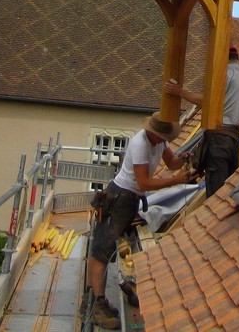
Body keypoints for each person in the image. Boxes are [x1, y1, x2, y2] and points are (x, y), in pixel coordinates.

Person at [83, 112, 196, 329]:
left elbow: (171, 162)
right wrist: (175, 181)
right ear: (154, 132)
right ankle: (96, 304)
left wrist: (182, 160)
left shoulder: (159, 142)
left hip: (130, 199)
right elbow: (144, 182)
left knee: (105, 248)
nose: (166, 141)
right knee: (101, 251)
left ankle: (96, 300)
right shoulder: (140, 144)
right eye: (163, 137)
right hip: (119, 197)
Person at [163, 44, 239, 197]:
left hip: (218, 139)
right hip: (233, 139)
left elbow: (207, 101)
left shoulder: (226, 72)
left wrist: (178, 92)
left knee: (215, 193)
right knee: (227, 194)